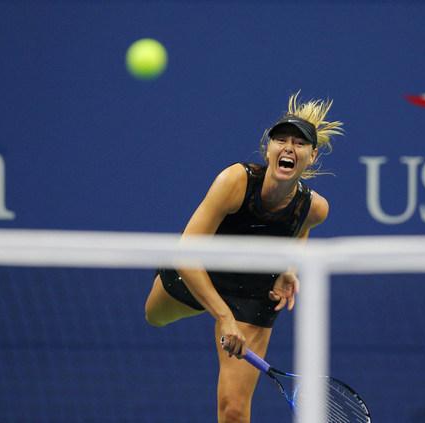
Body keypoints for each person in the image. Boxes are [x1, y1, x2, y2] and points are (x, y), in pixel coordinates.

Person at [144, 92, 343, 423]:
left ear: (311, 156)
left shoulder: (315, 208)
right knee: (154, 316)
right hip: (202, 270)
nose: (288, 147)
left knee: (234, 411)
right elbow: (186, 254)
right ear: (268, 149)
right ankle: (211, 309)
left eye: (299, 143)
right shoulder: (235, 181)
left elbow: (302, 230)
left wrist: (288, 269)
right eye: (280, 139)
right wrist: (222, 316)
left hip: (253, 291)